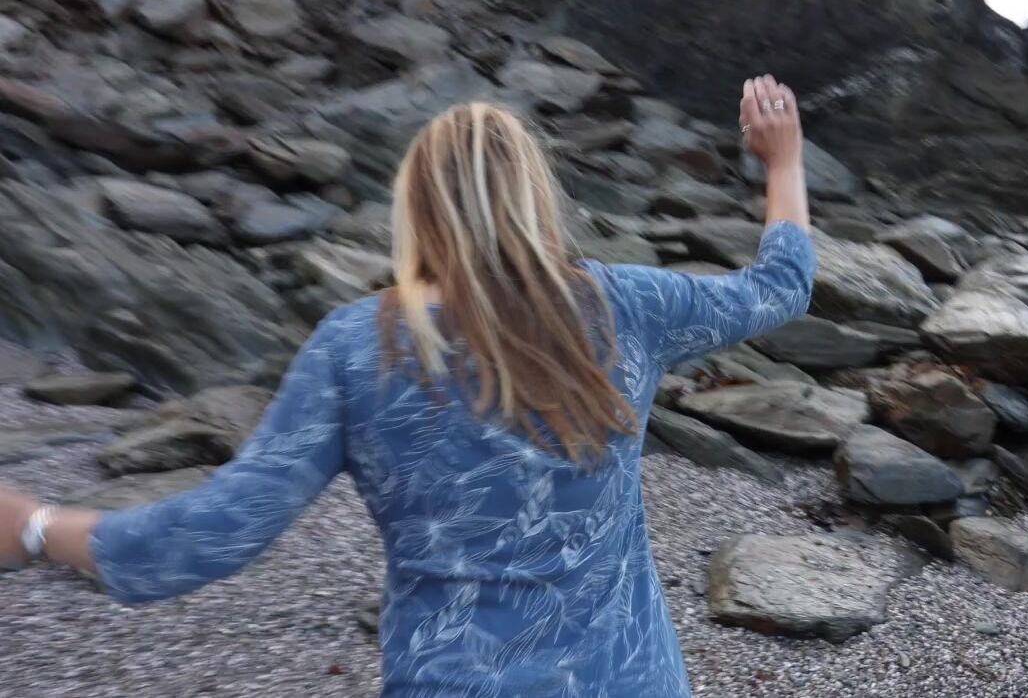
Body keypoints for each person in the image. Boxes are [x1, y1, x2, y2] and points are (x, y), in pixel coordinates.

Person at [0, 75, 816, 697]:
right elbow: (779, 287)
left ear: (416, 207)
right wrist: (783, 162)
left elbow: (218, 530)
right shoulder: (625, 307)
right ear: (538, 196)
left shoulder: (359, 346)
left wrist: (37, 527)